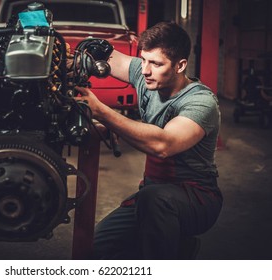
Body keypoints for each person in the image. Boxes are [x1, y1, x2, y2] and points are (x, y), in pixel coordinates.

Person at [74, 21, 223, 259]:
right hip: (152, 195)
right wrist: (74, 55)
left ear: (180, 65)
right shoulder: (148, 75)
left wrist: (101, 111)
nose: (144, 70)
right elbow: (109, 56)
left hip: (196, 199)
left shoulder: (200, 102)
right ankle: (179, 248)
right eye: (143, 60)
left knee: (154, 202)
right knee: (95, 249)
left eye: (155, 63)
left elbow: (163, 145)